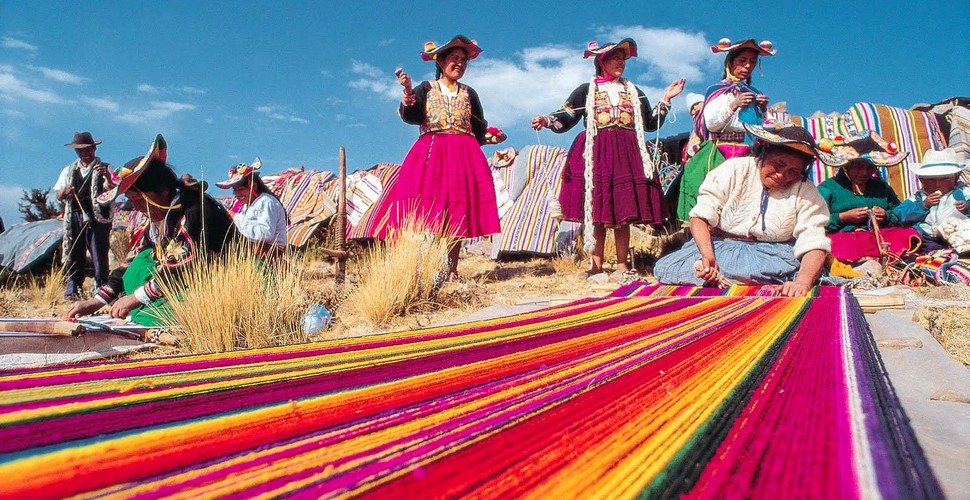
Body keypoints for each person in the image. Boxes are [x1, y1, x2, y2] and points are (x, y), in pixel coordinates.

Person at [531, 38, 685, 276]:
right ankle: (596, 265)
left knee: (622, 210)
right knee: (597, 209)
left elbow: (651, 123)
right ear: (601, 60)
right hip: (596, 151)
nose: (620, 62)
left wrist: (666, 99)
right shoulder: (587, 90)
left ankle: (623, 265)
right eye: (615, 57)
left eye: (622, 58)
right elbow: (567, 115)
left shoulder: (633, 91)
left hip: (626, 152)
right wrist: (547, 120)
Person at [370, 35, 505, 278]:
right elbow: (411, 115)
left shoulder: (469, 94)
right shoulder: (425, 89)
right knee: (428, 209)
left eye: (463, 60)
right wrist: (408, 91)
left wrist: (492, 137)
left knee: (457, 211)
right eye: (454, 59)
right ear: (440, 61)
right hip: (433, 153)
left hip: (464, 155)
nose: (460, 64)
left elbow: (478, 130)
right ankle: (426, 267)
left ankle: (451, 270)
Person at [67, 134, 237, 326]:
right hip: (182, 284)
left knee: (149, 314)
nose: (137, 208)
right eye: (132, 201)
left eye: (139, 200)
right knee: (141, 261)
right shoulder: (159, 219)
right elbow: (131, 261)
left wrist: (134, 299)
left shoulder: (194, 211)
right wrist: (96, 301)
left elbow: (180, 271)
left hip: (220, 283)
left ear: (163, 190)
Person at [654, 123, 831, 297]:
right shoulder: (734, 169)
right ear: (765, 152)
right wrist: (707, 256)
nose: (782, 175)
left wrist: (802, 281)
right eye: (778, 164)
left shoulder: (806, 190)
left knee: (805, 272)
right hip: (718, 249)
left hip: (774, 257)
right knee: (667, 268)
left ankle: (727, 281)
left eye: (793, 171)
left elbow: (814, 241)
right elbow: (700, 217)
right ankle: (728, 278)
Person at [677, 38, 778, 220]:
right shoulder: (717, 91)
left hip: (747, 153)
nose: (747, 66)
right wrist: (734, 104)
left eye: (752, 62)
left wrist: (761, 110)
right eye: (742, 61)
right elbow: (711, 124)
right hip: (718, 152)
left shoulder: (754, 92)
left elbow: (758, 129)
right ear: (730, 63)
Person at [816, 131, 920, 264]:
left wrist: (886, 216)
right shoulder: (828, 188)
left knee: (906, 234)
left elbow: (898, 214)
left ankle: (883, 260)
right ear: (846, 167)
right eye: (858, 167)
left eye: (870, 167)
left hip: (880, 236)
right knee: (841, 247)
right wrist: (842, 217)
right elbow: (815, 224)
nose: (864, 173)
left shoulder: (881, 187)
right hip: (845, 237)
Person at [53, 131, 115, 299]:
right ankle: (72, 289)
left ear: (94, 149)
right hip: (74, 216)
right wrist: (65, 192)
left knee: (98, 252)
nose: (85, 153)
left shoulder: (106, 168)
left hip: (98, 217)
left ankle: (102, 289)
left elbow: (115, 189)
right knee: (74, 252)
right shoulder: (69, 170)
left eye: (88, 149)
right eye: (80, 151)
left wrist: (107, 176)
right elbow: (58, 194)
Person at [892, 148, 970, 251]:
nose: (938, 184)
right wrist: (923, 205)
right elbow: (899, 214)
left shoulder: (963, 192)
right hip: (928, 239)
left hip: (959, 237)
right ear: (922, 180)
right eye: (931, 179)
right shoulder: (919, 197)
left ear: (956, 178)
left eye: (945, 178)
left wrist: (967, 207)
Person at [216, 158, 288, 255]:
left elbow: (266, 234)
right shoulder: (247, 206)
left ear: (253, 186)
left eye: (241, 189)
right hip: (253, 249)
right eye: (235, 190)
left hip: (267, 253)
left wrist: (236, 217)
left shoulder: (266, 202)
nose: (238, 194)